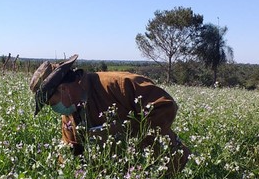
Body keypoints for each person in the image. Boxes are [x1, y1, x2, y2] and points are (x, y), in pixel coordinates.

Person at [30, 54, 190, 172]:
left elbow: (165, 106)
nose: (54, 108)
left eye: (51, 103)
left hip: (161, 166)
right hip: (126, 177)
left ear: (63, 89)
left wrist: (131, 136)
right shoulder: (71, 113)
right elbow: (70, 150)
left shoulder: (118, 84)